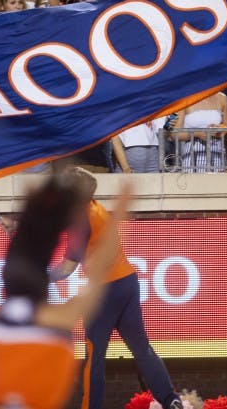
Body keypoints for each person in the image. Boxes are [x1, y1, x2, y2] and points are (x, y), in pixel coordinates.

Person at [0, 171, 133, 409]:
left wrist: (20, 224)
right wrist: (120, 213)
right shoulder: (56, 320)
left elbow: (39, 235)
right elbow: (94, 274)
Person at [47, 169, 182, 409]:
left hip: (105, 291)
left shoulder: (81, 220)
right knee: (142, 349)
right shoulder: (94, 207)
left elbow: (67, 269)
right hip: (127, 282)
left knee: (94, 356)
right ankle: (171, 400)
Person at [172, 89, 227, 172]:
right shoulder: (182, 98)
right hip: (191, 157)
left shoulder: (222, 98)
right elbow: (173, 134)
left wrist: (219, 129)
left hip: (217, 155)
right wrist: (196, 133)